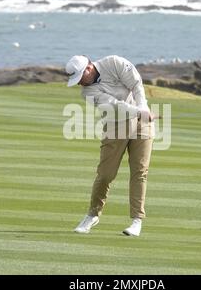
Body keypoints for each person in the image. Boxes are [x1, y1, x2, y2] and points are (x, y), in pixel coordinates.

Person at [65, 55, 157, 236]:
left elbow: (136, 84)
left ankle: (136, 220)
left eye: (79, 78)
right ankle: (93, 214)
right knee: (106, 174)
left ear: (89, 69)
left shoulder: (114, 63)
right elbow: (115, 105)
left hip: (142, 122)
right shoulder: (87, 92)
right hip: (116, 124)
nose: (78, 83)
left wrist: (143, 106)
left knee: (140, 171)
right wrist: (140, 111)